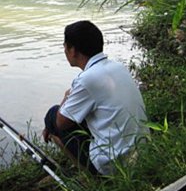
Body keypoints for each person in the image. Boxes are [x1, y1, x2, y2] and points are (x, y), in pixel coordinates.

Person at [42, 20, 149, 175]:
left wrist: (66, 98)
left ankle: (93, 179)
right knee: (76, 116)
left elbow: (61, 123)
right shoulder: (118, 67)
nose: (64, 50)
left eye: (65, 46)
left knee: (53, 116)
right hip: (141, 154)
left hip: (114, 165)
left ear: (72, 50)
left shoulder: (87, 80)